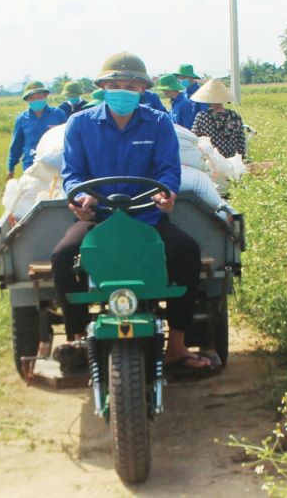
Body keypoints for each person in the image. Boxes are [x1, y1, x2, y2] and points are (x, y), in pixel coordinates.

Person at [52, 51, 211, 371]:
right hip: (98, 219)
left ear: (143, 90)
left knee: (187, 252)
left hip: (146, 218)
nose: (122, 91)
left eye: (130, 85)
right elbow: (72, 173)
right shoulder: (80, 124)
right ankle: (79, 338)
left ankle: (177, 346)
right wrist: (80, 197)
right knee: (63, 255)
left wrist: (166, 194)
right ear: (103, 87)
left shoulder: (159, 123)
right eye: (115, 84)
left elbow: (168, 170)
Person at [7, 81, 67, 179]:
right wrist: (11, 167)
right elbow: (16, 144)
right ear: (27, 100)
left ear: (45, 97)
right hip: (31, 165)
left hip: (56, 165)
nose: (36, 100)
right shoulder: (22, 119)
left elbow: (69, 138)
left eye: (39, 97)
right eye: (32, 98)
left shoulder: (58, 114)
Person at [190, 78, 248, 159]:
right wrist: (241, 157)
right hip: (232, 158)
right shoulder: (234, 116)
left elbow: (194, 137)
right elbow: (241, 138)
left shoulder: (202, 116)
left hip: (211, 159)